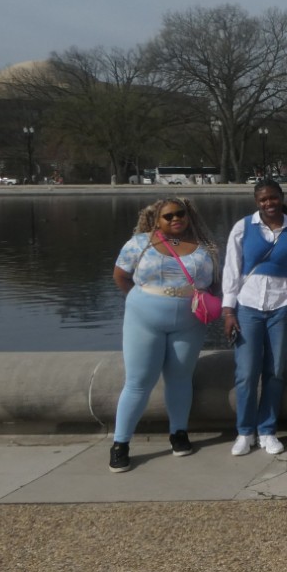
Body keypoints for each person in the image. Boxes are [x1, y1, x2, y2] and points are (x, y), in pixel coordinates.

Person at [108, 198, 220, 472]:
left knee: (180, 378)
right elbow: (120, 276)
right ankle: (120, 443)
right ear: (156, 220)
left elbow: (215, 285)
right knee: (138, 381)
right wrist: (143, 302)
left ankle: (178, 433)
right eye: (168, 216)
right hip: (143, 320)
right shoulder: (140, 243)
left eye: (180, 214)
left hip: (189, 322)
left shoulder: (205, 248)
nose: (175, 220)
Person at [222, 179, 287, 457]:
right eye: (263, 199)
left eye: (273, 198)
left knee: (275, 372)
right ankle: (244, 431)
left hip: (281, 306)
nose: (269, 204)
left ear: (281, 197)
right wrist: (228, 310)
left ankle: (267, 430)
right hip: (248, 306)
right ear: (256, 201)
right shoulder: (242, 227)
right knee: (246, 372)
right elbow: (231, 268)